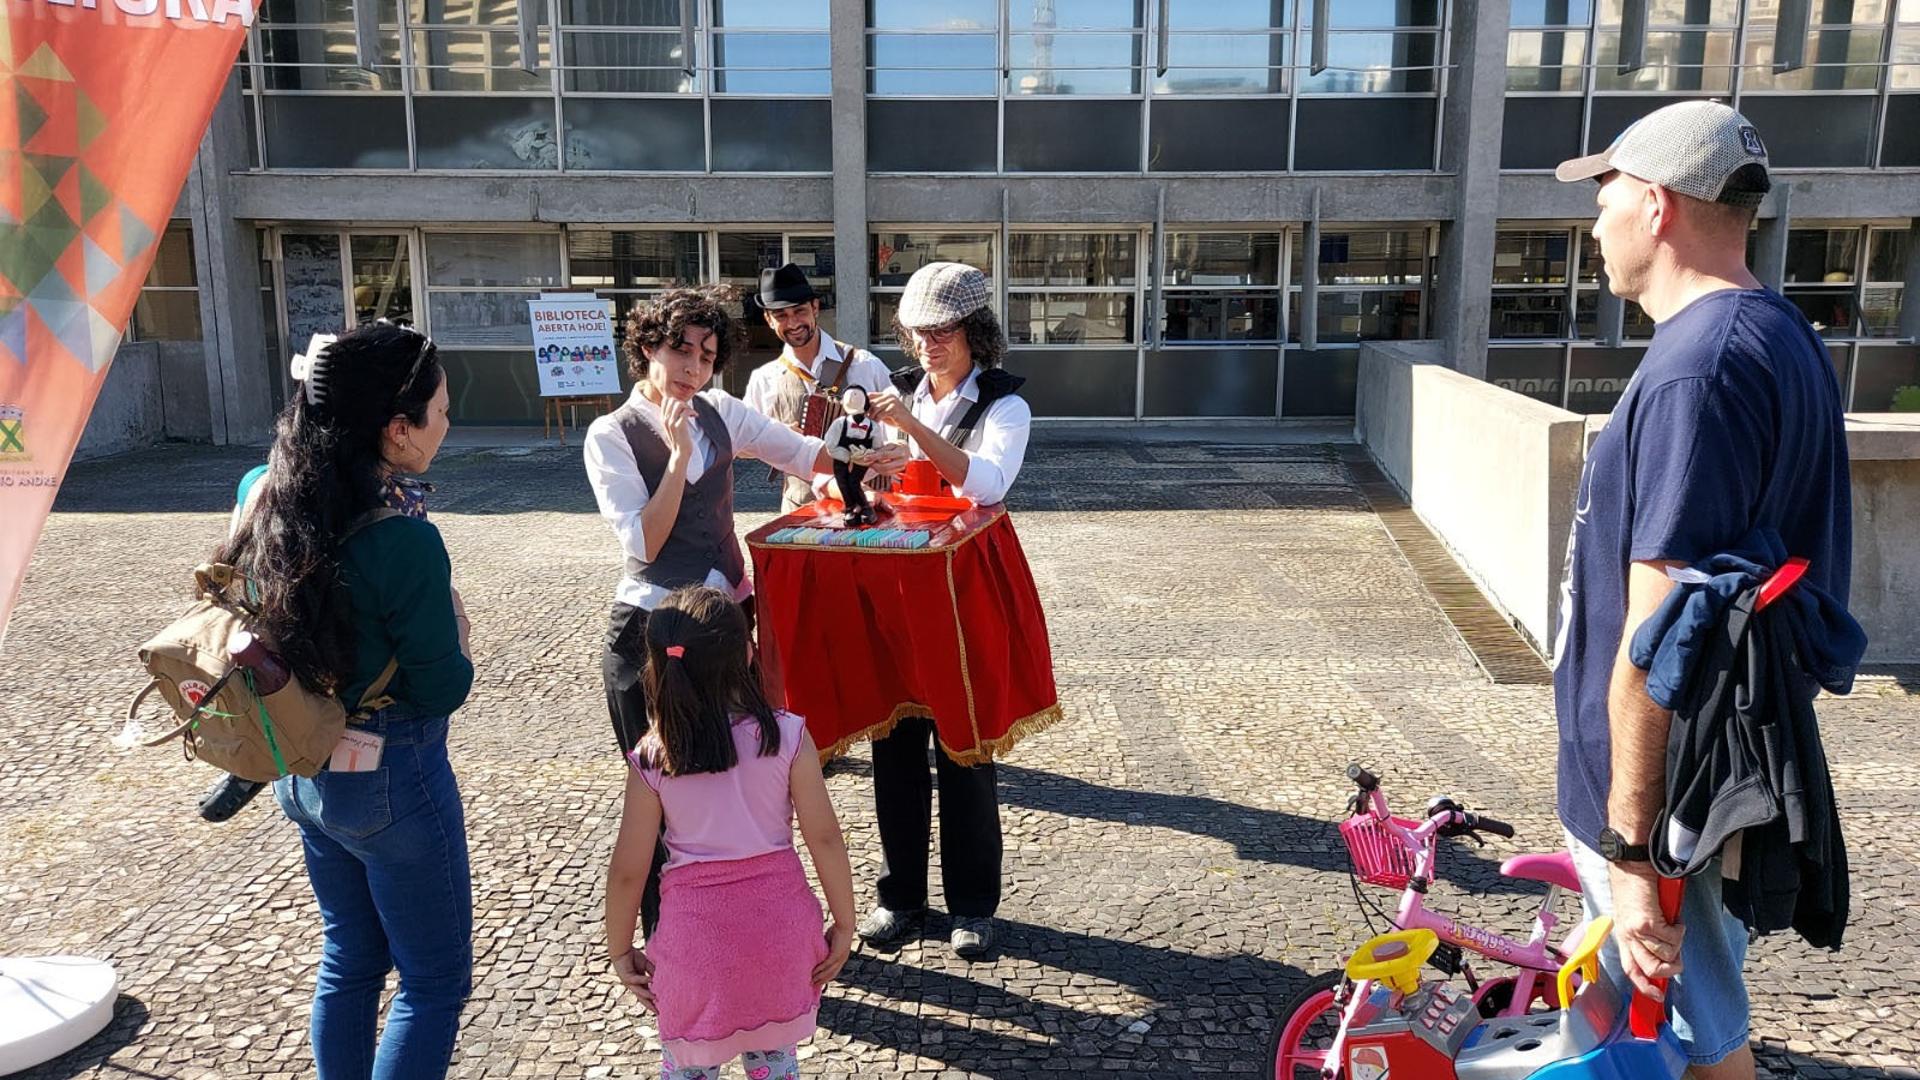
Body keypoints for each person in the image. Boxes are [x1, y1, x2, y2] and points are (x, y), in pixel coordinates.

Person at [1551, 101, 1851, 1079]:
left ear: (1655, 204)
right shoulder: (1780, 337)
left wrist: (1632, 853)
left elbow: (1658, 647)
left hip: (1669, 800)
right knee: (1649, 1032)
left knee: (1701, 1043)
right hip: (1715, 780)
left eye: (1604, 200)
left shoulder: (1701, 371)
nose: (1594, 225)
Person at [216, 322, 475, 1079]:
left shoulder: (264, 496)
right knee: (432, 984)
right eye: (440, 410)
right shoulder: (403, 540)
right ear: (397, 431)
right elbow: (440, 687)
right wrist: (456, 630)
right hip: (394, 777)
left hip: (301, 765)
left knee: (350, 960)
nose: (448, 423)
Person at [583, 286, 869, 934]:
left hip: (728, 630)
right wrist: (679, 459)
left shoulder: (720, 411)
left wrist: (861, 459)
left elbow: (800, 453)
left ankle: (754, 930)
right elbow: (644, 542)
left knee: (745, 786)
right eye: (679, 349)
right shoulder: (612, 435)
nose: (692, 367)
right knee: (665, 796)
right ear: (646, 347)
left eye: (707, 355)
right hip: (655, 635)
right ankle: (670, 944)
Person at [846, 261, 1033, 959]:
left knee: (966, 751)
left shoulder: (1005, 404)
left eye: (943, 332)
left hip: (966, 590)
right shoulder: (894, 393)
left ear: (974, 332)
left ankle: (974, 907)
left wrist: (912, 437)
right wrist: (864, 467)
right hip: (898, 587)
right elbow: (854, 479)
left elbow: (986, 483)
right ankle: (901, 898)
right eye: (919, 333)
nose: (929, 345)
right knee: (892, 748)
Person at [604, 586, 854, 1080]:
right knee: (774, 1061)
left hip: (694, 948)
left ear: (657, 666)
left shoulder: (654, 757)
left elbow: (629, 872)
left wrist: (620, 948)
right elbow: (825, 837)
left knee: (689, 1067)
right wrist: (843, 924)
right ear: (747, 652)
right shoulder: (786, 736)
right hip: (780, 938)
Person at [741, 263, 897, 511]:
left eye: (799, 311)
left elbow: (901, 426)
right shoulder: (765, 379)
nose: (792, 323)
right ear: (768, 320)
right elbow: (741, 444)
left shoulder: (864, 365)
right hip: (801, 511)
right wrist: (773, 436)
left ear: (815, 308)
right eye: (781, 315)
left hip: (870, 506)